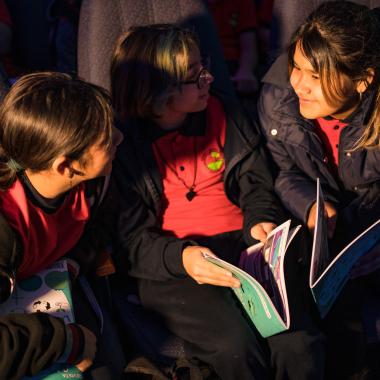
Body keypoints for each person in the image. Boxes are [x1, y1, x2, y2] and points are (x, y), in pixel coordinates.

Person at [111, 24, 326, 380]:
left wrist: (261, 219)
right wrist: (181, 257)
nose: (208, 78)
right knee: (235, 345)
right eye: (194, 77)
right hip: (177, 265)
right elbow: (131, 241)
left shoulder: (226, 115)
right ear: (157, 93)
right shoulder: (124, 148)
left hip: (245, 248)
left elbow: (256, 185)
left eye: (204, 66)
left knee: (296, 341)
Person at [258, 2, 380, 378]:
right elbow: (284, 172)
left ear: (363, 81)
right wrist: (311, 206)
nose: (298, 83)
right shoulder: (277, 100)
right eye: (296, 66)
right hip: (325, 246)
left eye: (315, 75)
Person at [0, 72, 126, 379]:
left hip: (49, 287)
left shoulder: (94, 183)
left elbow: (96, 227)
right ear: (65, 166)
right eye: (107, 138)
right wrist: (66, 341)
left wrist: (75, 260)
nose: (120, 137)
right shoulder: (7, 223)